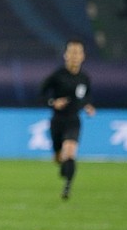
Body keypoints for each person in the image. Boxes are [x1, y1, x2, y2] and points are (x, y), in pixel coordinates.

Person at [40, 39, 95, 200]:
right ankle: (63, 164)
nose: (75, 56)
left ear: (83, 56)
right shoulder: (57, 76)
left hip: (73, 120)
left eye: (78, 53)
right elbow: (41, 94)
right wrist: (53, 103)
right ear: (66, 55)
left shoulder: (84, 78)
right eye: (72, 52)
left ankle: (67, 187)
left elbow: (86, 97)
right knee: (59, 157)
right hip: (57, 121)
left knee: (70, 152)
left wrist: (88, 106)